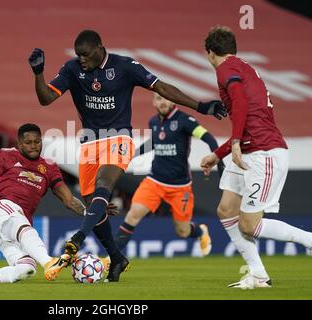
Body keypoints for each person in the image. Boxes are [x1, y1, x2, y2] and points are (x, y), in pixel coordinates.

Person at [29, 29, 226, 282]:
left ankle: (77, 238)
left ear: (100, 48)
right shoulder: (72, 69)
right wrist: (38, 74)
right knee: (92, 204)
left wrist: (201, 106)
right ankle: (117, 257)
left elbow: (162, 87)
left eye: (86, 55)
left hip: (119, 138)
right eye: (79, 56)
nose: (82, 60)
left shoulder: (125, 66)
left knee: (104, 185)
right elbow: (45, 99)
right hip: (89, 143)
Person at [200, 26, 312, 289]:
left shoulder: (225, 68)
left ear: (209, 53)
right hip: (250, 149)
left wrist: (236, 141)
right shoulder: (243, 67)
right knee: (226, 210)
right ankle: (259, 275)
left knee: (249, 225)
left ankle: (309, 239)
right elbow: (248, 118)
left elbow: (239, 101)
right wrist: (219, 154)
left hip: (264, 153)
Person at [0, 123, 94, 284]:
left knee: (26, 269)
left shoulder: (49, 167)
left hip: (15, 225)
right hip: (2, 212)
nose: (34, 146)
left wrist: (90, 212)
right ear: (19, 144)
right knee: (22, 225)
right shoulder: (6, 157)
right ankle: (49, 262)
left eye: (37, 142)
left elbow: (69, 200)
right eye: (28, 143)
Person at [114, 93, 225, 257]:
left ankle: (200, 231)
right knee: (132, 215)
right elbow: (154, 142)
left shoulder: (185, 121)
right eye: (158, 98)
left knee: (183, 231)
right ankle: (111, 259)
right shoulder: (153, 122)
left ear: (173, 100)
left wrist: (218, 159)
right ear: (153, 102)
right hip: (154, 181)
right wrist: (132, 155)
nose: (163, 101)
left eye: (166, 97)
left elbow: (208, 137)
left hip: (180, 186)